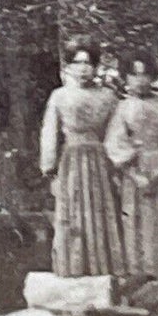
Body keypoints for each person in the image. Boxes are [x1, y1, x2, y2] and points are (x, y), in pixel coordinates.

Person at [40, 42, 127, 276]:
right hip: (72, 160)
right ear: (68, 66)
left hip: (101, 160)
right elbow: (50, 132)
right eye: (77, 62)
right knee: (74, 212)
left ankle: (105, 269)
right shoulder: (60, 96)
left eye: (88, 62)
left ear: (96, 66)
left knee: (102, 211)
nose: (83, 68)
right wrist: (49, 169)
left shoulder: (108, 97)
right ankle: (74, 269)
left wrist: (118, 163)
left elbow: (117, 132)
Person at [106, 55, 158, 275]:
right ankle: (142, 276)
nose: (140, 80)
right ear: (126, 78)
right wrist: (136, 176)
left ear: (153, 76)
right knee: (138, 223)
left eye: (145, 74)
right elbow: (115, 143)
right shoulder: (123, 107)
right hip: (135, 173)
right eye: (134, 74)